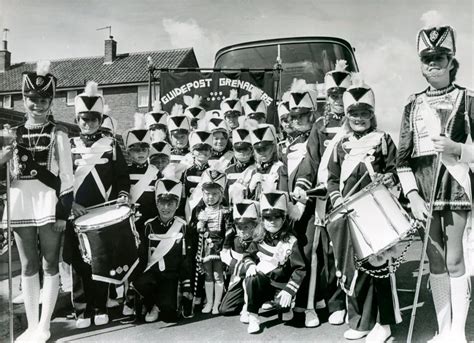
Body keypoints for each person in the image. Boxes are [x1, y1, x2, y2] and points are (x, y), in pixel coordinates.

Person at [396, 16, 473, 342]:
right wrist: (412, 197)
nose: (433, 65)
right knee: (436, 261)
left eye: (439, 58)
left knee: (455, 260)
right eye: (427, 59)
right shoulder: (412, 104)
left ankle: (458, 332)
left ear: (450, 61)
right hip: (424, 192)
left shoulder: (468, 99)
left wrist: (457, 147)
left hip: (455, 185)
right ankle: (443, 329)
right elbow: (402, 160)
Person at [0, 61, 74, 343]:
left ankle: (45, 325)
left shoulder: (59, 133)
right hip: (20, 198)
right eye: (32, 100)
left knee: (49, 263)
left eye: (43, 100)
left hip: (48, 201)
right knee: (29, 265)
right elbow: (4, 176)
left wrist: (62, 213)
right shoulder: (11, 133)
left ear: (50, 101)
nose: (37, 105)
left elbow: (66, 177)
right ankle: (32, 325)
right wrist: (3, 159)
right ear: (24, 99)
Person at [327, 75, 401, 342]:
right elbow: (332, 178)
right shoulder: (341, 145)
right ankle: (361, 321)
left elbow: (394, 171)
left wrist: (388, 179)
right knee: (356, 267)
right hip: (349, 212)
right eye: (354, 113)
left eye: (364, 113)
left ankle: (385, 323)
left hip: (376, 211)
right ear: (348, 116)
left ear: (372, 114)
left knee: (380, 268)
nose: (359, 118)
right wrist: (336, 199)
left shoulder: (383, 139)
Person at [63, 81, 130, 329]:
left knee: (101, 260)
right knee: (80, 263)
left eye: (93, 119)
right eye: (84, 119)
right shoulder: (68, 146)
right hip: (76, 211)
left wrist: (122, 194)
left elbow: (122, 176)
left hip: (102, 211)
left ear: (100, 119)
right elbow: (62, 180)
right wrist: (70, 204)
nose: (88, 123)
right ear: (77, 119)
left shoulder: (111, 145)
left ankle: (101, 306)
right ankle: (82, 310)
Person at [292, 61, 353, 327]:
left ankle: (352, 303)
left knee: (350, 252)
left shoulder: (359, 122)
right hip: (325, 199)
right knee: (324, 252)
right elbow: (311, 160)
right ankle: (333, 302)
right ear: (326, 97)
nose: (337, 99)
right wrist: (302, 185)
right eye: (333, 95)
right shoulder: (319, 125)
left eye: (342, 94)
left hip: (350, 197)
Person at [240, 189, 306, 334]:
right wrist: (250, 265)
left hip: (281, 285)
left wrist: (289, 290)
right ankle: (253, 317)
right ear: (262, 220)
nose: (272, 221)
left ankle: (282, 306)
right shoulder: (259, 237)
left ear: (284, 219)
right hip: (263, 282)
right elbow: (247, 255)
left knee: (284, 310)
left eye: (277, 217)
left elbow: (300, 268)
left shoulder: (291, 241)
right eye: (268, 218)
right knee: (251, 278)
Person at [132, 175, 192, 323]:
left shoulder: (183, 226)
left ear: (177, 205)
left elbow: (186, 259)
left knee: (169, 315)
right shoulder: (149, 226)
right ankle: (151, 303)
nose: (166, 208)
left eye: (170, 203)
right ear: (157, 204)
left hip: (171, 276)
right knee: (140, 283)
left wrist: (186, 286)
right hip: (153, 273)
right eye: (162, 203)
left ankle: (159, 304)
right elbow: (142, 256)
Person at [192, 169, 229, 315]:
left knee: (218, 275)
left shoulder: (225, 211)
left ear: (221, 194)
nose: (210, 197)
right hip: (206, 247)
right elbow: (197, 229)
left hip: (219, 248)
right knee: (207, 274)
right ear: (203, 194)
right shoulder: (199, 210)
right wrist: (200, 225)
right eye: (207, 194)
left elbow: (229, 230)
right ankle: (209, 302)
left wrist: (226, 247)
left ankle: (217, 303)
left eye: (214, 194)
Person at [219, 199, 260, 321]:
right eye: (239, 226)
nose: (242, 230)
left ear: (255, 225)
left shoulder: (259, 240)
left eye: (246, 226)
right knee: (226, 309)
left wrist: (232, 263)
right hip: (239, 276)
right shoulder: (234, 239)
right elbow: (224, 253)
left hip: (256, 278)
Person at [248, 124, 288, 199]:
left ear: (273, 147)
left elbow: (284, 197)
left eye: (265, 148)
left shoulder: (281, 168)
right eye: (258, 150)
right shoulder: (253, 171)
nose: (262, 153)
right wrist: (250, 190)